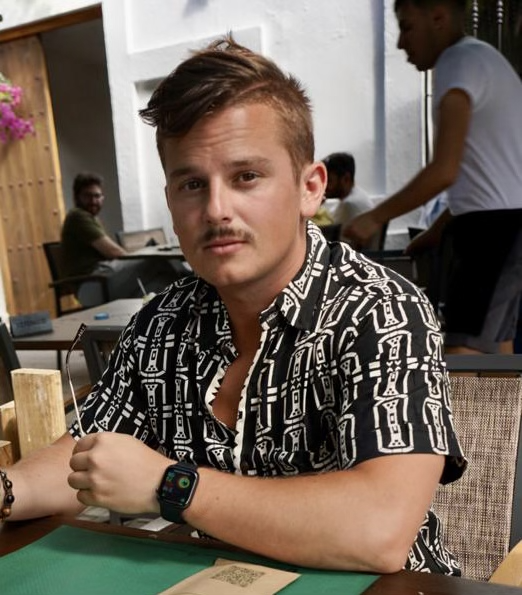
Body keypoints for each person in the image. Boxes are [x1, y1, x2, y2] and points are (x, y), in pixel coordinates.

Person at [0, 35, 466, 575]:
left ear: (310, 188)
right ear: (171, 199)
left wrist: (169, 485)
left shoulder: (381, 310)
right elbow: (85, 453)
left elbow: (379, 531)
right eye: (192, 184)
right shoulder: (162, 322)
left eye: (246, 176)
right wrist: (7, 490)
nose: (216, 209)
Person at [342, 0, 522, 355]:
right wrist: (436, 231)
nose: (400, 43)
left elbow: (444, 169)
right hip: (502, 228)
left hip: (493, 233)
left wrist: (375, 217)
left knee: (462, 358)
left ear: (438, 17)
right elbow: (487, 177)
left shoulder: (457, 61)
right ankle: (499, 397)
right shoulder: (483, 59)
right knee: (496, 355)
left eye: (406, 27)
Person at [61, 172, 185, 306]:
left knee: (160, 284)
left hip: (101, 281)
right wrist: (139, 260)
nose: (93, 201)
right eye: (88, 196)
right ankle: (190, 279)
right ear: (77, 197)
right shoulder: (78, 216)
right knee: (156, 260)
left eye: (97, 196)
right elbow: (114, 252)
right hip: (92, 285)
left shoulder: (90, 218)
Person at [322, 152, 379, 249]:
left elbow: (332, 243)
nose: (324, 186)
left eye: (329, 181)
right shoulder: (358, 195)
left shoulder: (349, 204)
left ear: (346, 179)